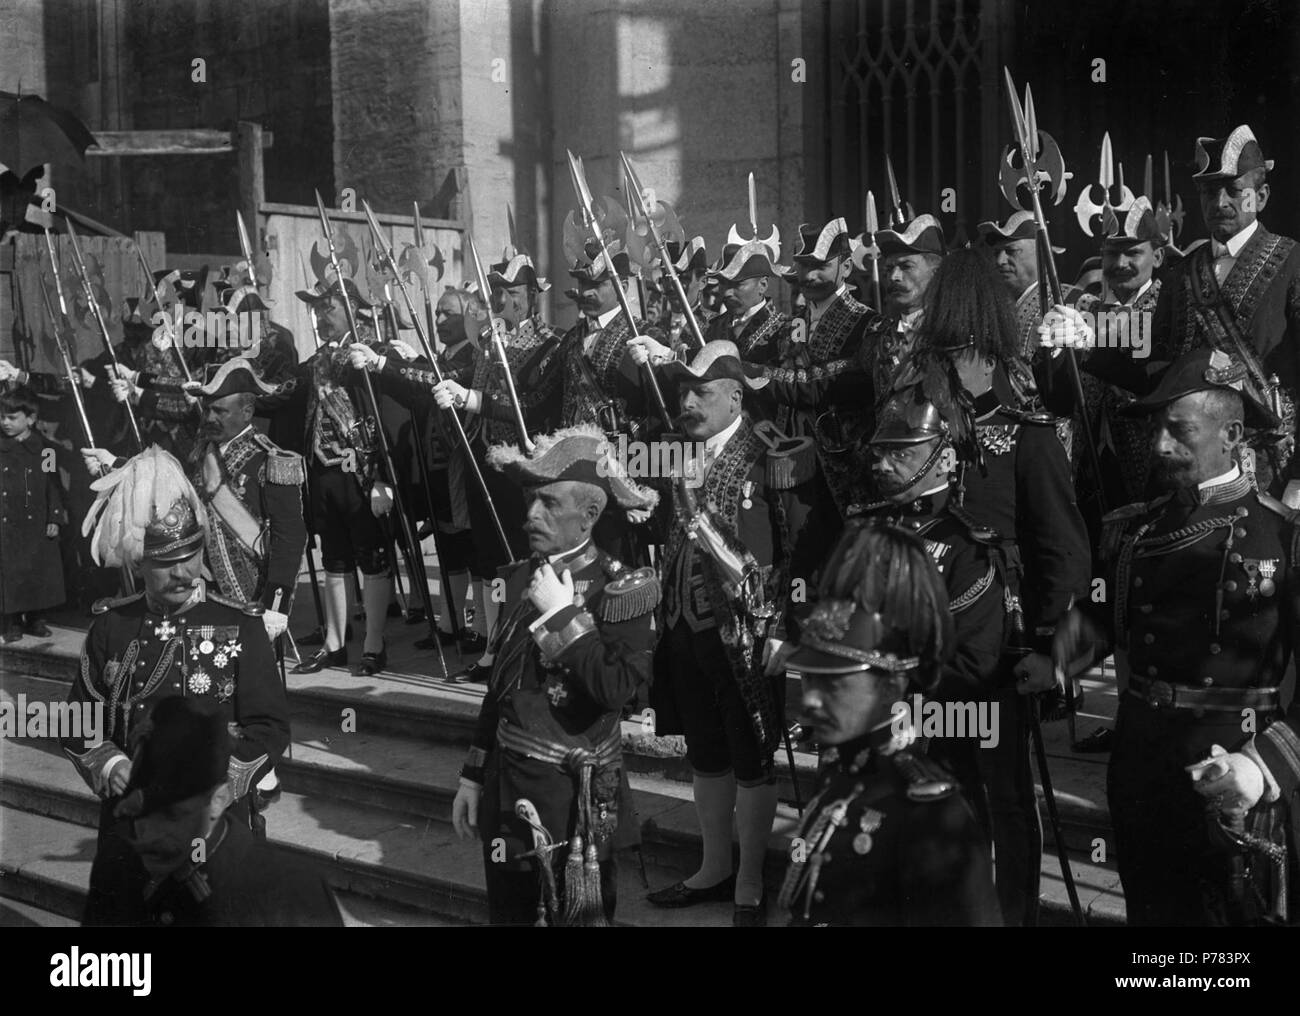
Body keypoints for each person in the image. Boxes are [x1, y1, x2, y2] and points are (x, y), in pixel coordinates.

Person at [1054, 346, 1300, 925]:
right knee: (1154, 917)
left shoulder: (1283, 538)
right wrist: (1049, 662)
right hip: (1142, 756)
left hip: (1231, 761)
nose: (1161, 444)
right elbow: (1099, 615)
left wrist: (1265, 764)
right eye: (1157, 428)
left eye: (1179, 429)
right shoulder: (1134, 527)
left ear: (1231, 432)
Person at [897, 247, 1092, 925]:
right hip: (929, 643)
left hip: (1000, 649)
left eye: (955, 351)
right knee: (942, 787)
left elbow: (1066, 558)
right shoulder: (912, 435)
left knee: (1006, 795)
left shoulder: (1027, 437)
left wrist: (1056, 653)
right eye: (939, 350)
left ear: (982, 349)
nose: (942, 366)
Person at [63, 445, 290, 926]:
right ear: (139, 562)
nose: (185, 572)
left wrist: (219, 786)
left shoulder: (239, 625)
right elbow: (78, 718)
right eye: (168, 562)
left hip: (216, 830)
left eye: (192, 556)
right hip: (131, 832)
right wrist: (110, 762)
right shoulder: (111, 627)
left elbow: (269, 726)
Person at [450, 425, 660, 925]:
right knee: (510, 911)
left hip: (572, 796)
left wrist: (564, 618)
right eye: (530, 501)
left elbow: (620, 689)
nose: (530, 516)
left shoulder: (622, 588)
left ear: (589, 514)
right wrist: (473, 774)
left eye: (547, 502)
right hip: (509, 784)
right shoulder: (521, 575)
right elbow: (501, 686)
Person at [643, 341, 819, 926]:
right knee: (705, 750)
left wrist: (787, 628)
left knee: (752, 754)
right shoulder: (672, 453)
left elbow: (801, 546)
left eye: (702, 392)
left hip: (749, 634)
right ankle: (714, 866)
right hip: (684, 624)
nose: (688, 402)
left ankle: (748, 881)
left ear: (737, 395)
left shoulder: (772, 454)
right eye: (683, 392)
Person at [778, 520, 1001, 926]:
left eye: (833, 685)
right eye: (809, 678)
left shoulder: (931, 815)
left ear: (891, 687)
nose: (809, 699)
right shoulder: (840, 776)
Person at [111, 695, 341, 926]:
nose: (148, 833)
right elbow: (79, 711)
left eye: (171, 814)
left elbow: (268, 725)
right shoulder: (118, 874)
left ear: (218, 800)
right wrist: (108, 763)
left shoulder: (292, 890)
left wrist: (220, 773)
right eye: (141, 814)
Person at [264, 276, 395, 677]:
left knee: (371, 557)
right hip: (323, 472)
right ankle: (335, 643)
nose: (321, 316)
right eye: (317, 309)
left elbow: (388, 418)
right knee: (334, 558)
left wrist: (383, 478)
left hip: (363, 473)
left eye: (329, 307)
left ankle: (374, 643)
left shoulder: (374, 354)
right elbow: (279, 394)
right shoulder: (316, 361)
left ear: (353, 309)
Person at [0, 382, 67, 640]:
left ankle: (37, 619)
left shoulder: (45, 448)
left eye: (11, 417)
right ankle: (13, 621)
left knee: (38, 572)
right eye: (2, 417)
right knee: (11, 572)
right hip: (8, 520)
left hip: (37, 521)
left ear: (30, 419)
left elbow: (54, 484)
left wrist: (55, 517)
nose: (5, 422)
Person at [704, 237, 788, 366]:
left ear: (763, 285)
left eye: (737, 284)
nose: (727, 293)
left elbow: (792, 377)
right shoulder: (713, 327)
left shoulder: (788, 327)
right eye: (723, 284)